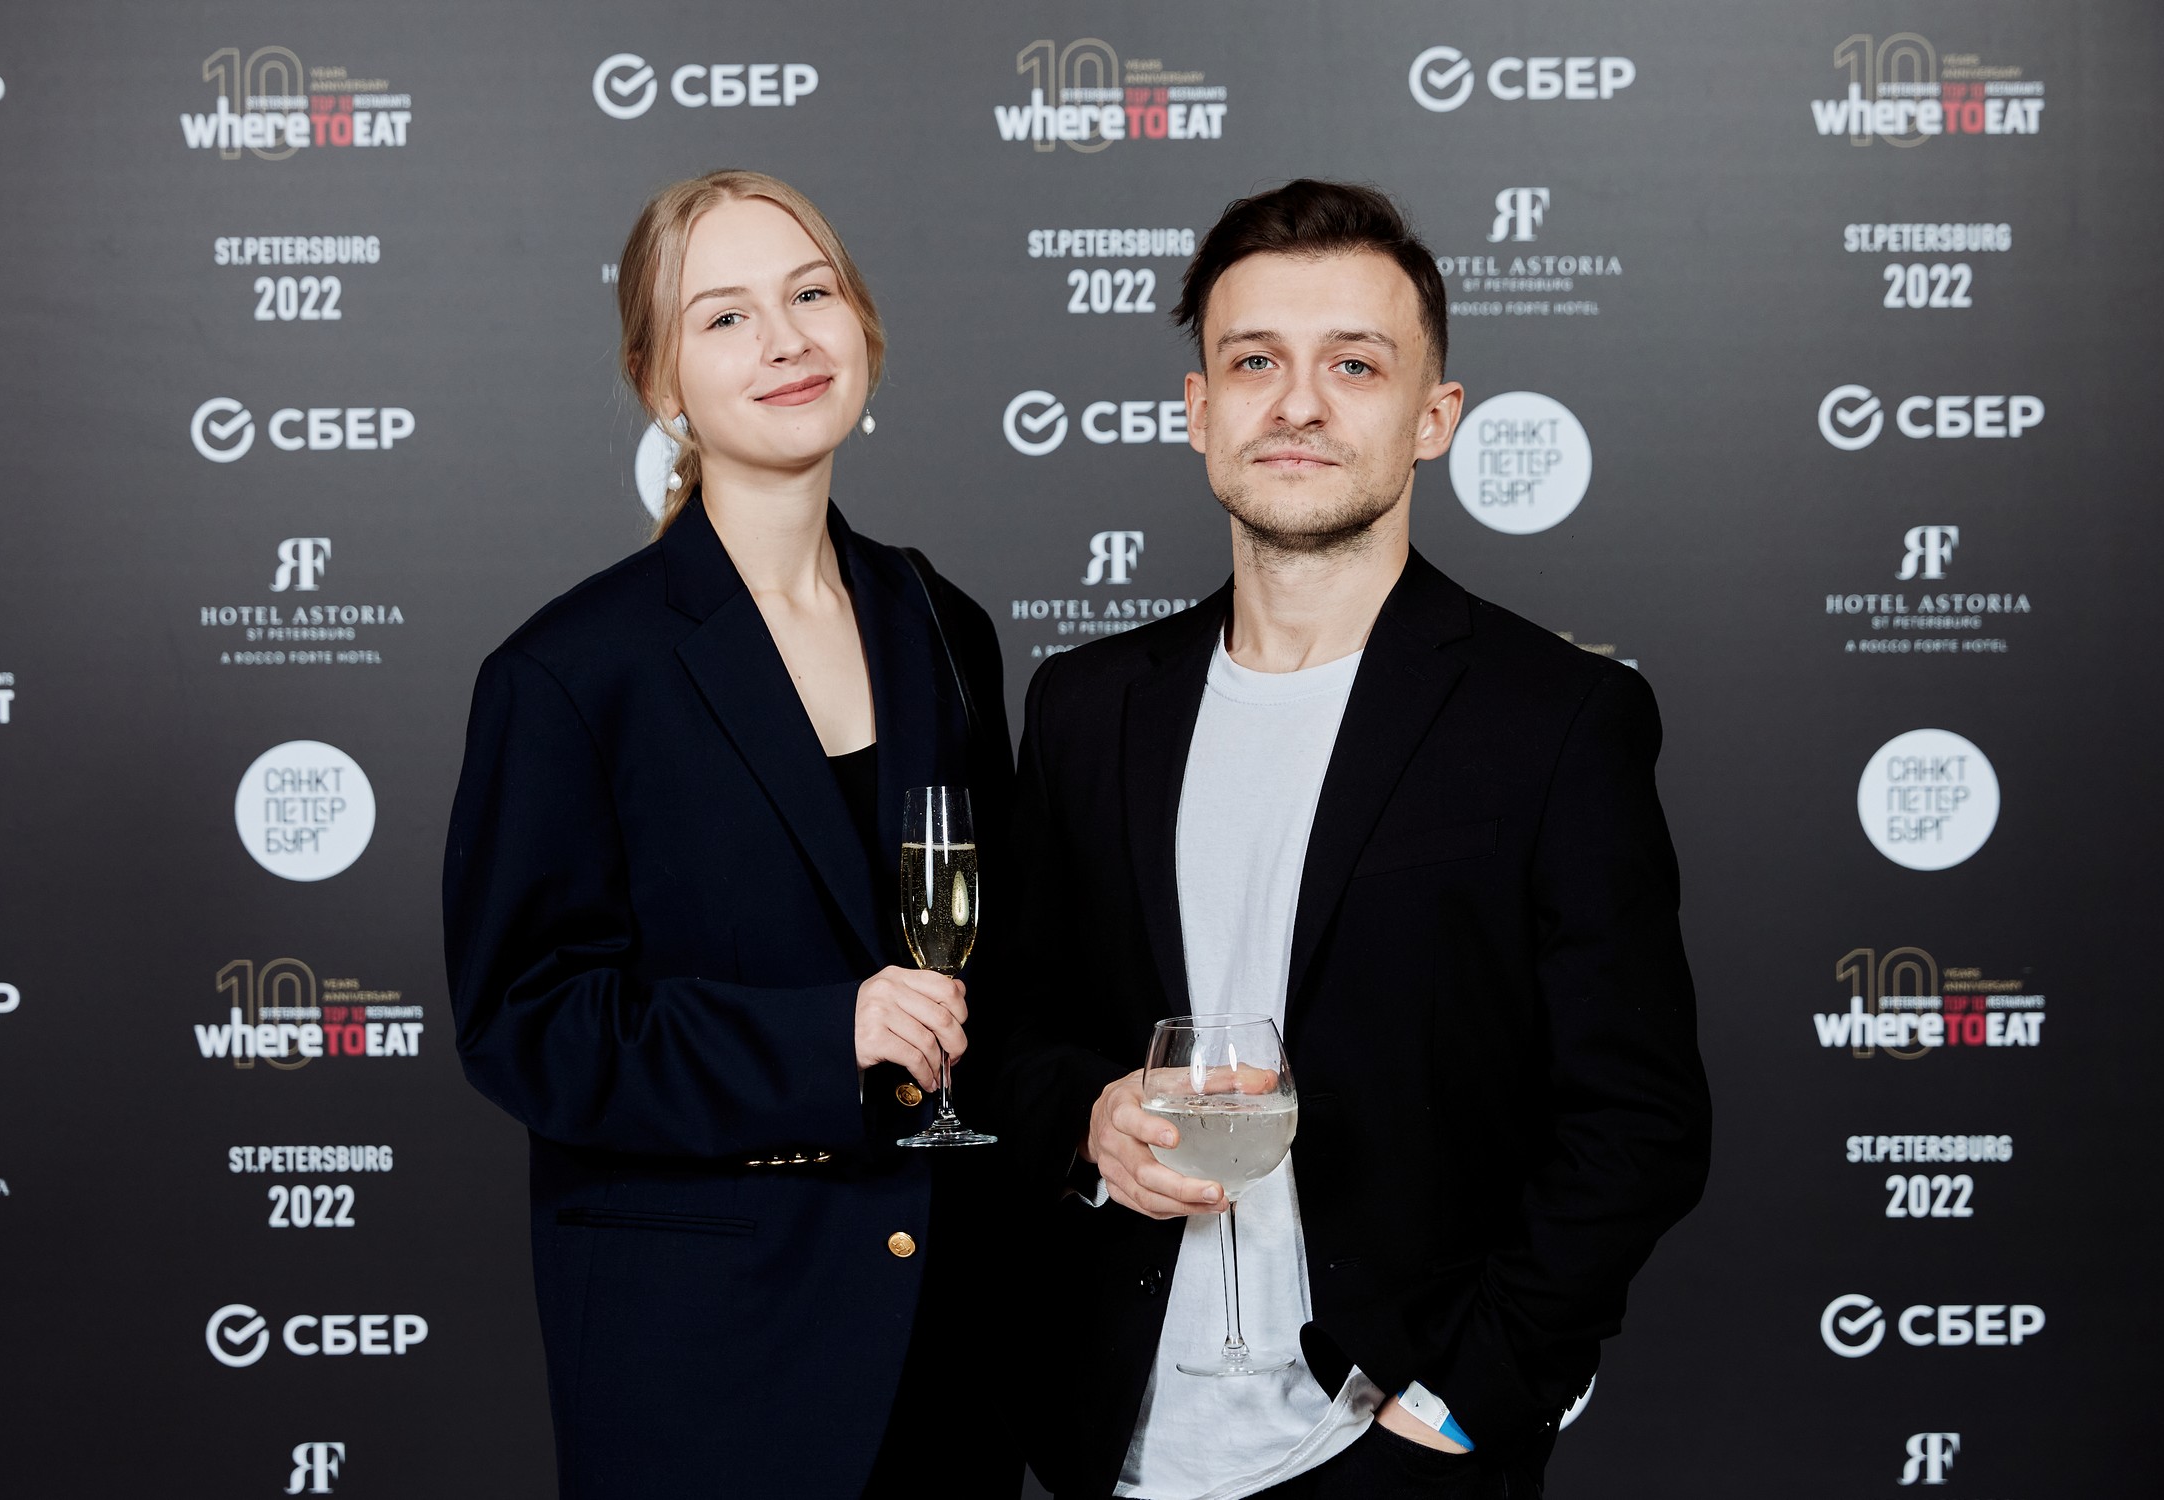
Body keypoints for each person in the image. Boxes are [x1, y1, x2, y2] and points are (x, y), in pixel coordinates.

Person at [991, 180, 1712, 1499]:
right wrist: (1088, 1120)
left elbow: (1638, 1119)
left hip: (1387, 1438)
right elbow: (1013, 1028)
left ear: (1434, 416)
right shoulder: (1087, 708)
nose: (1298, 404)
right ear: (1198, 408)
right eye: (1253, 361)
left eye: (1354, 364)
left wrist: (1464, 1402)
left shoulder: (1554, 718)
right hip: (1112, 1439)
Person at [442, 170, 1017, 1498]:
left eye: (811, 294)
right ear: (661, 385)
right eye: (724, 317)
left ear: (863, 329)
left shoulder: (942, 624)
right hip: (707, 1366)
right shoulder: (570, 672)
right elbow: (526, 1025)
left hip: (941, 1355)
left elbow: (1005, 960)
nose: (786, 339)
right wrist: (827, 1036)